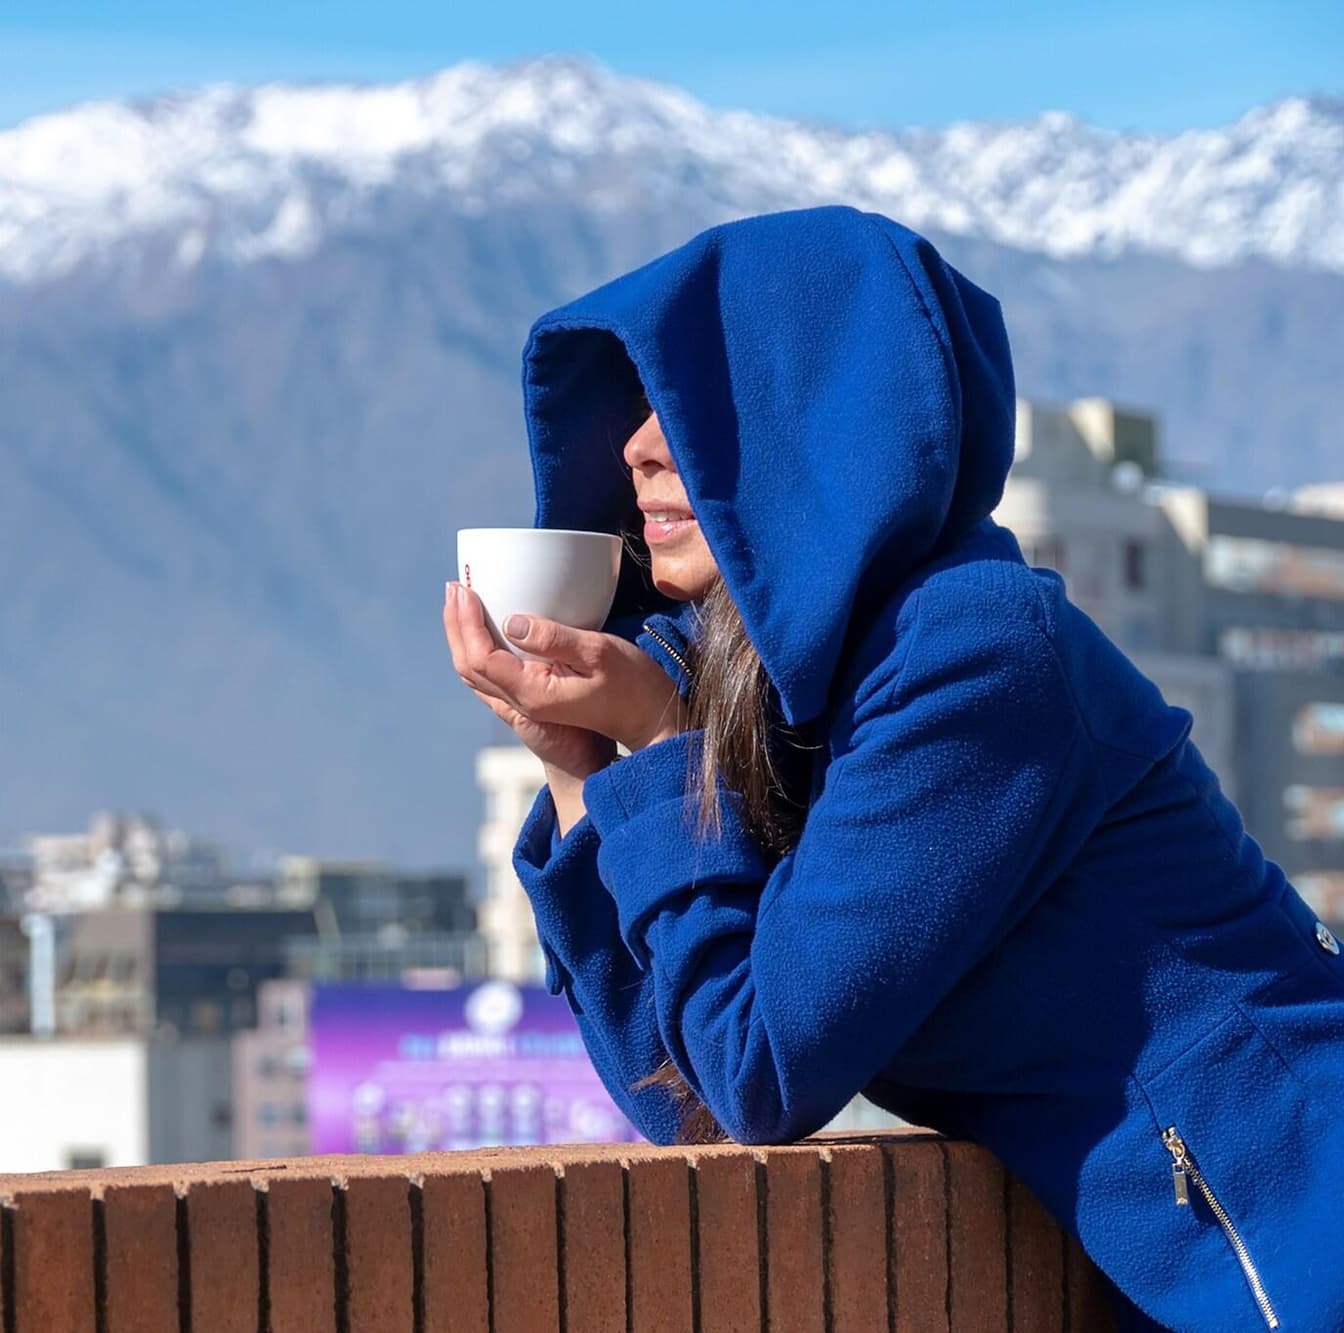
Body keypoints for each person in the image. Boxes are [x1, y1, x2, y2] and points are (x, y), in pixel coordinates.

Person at [442, 205, 1344, 1331]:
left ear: (816, 420)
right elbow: (689, 1097)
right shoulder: (776, 690)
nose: (633, 448)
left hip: (1299, 1210)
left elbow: (762, 1072)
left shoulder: (974, 653)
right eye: (628, 402)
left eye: (685, 395)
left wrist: (661, 757)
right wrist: (579, 765)